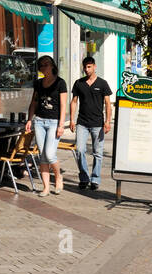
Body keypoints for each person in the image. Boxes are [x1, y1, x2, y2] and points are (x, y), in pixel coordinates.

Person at [25, 56, 69, 195]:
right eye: (41, 65)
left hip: (54, 122)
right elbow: (34, 102)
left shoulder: (60, 83)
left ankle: (58, 177)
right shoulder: (38, 83)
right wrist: (29, 119)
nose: (44, 67)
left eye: (46, 64)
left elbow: (63, 105)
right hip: (39, 121)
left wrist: (61, 125)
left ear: (52, 66)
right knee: (42, 156)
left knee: (50, 154)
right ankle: (46, 187)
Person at [69, 56, 112, 192]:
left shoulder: (102, 83)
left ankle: (95, 179)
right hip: (82, 122)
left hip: (98, 123)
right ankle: (84, 178)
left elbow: (107, 104)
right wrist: (71, 119)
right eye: (85, 67)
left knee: (97, 153)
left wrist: (107, 121)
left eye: (89, 67)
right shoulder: (79, 83)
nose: (87, 70)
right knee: (80, 150)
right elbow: (74, 101)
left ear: (94, 66)